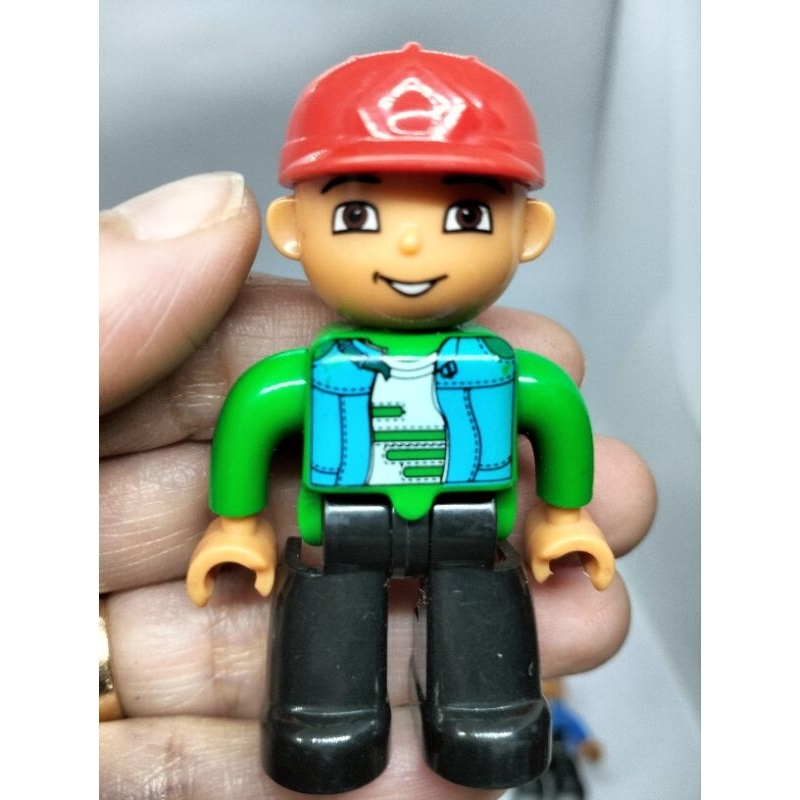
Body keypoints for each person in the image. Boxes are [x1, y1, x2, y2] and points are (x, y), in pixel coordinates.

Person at [99, 59, 656, 800]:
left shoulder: (506, 371)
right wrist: (235, 524)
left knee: (485, 608)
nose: (411, 247)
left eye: (466, 217)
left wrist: (563, 516)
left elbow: (557, 416)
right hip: (345, 528)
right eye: (358, 217)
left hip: (469, 526)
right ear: (293, 229)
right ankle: (321, 716)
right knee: (326, 613)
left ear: (531, 231)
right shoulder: (309, 374)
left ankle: (487, 713)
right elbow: (252, 416)